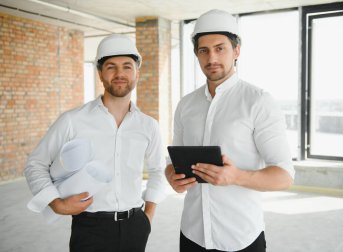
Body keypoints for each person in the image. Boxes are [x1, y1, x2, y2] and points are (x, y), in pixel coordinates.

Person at [165, 9, 295, 252]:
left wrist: (236, 177)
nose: (211, 57)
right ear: (196, 54)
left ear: (237, 51)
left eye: (220, 48)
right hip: (193, 234)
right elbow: (172, 163)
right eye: (203, 50)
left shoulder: (259, 101)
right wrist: (171, 176)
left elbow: (285, 176)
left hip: (241, 237)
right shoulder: (186, 105)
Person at [24, 34, 167, 252]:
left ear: (137, 73)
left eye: (127, 67)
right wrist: (56, 203)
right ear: (100, 73)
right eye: (111, 67)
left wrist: (148, 216)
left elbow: (158, 170)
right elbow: (36, 164)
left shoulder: (149, 126)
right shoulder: (73, 120)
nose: (119, 74)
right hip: (90, 228)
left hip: (135, 226)